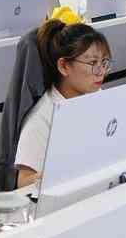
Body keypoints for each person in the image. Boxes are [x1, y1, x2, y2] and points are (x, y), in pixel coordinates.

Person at [12, 21, 111, 188]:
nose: (101, 71)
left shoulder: (99, 95)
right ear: (64, 66)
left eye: (104, 62)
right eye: (93, 63)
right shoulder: (42, 118)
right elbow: (23, 182)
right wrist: (61, 174)